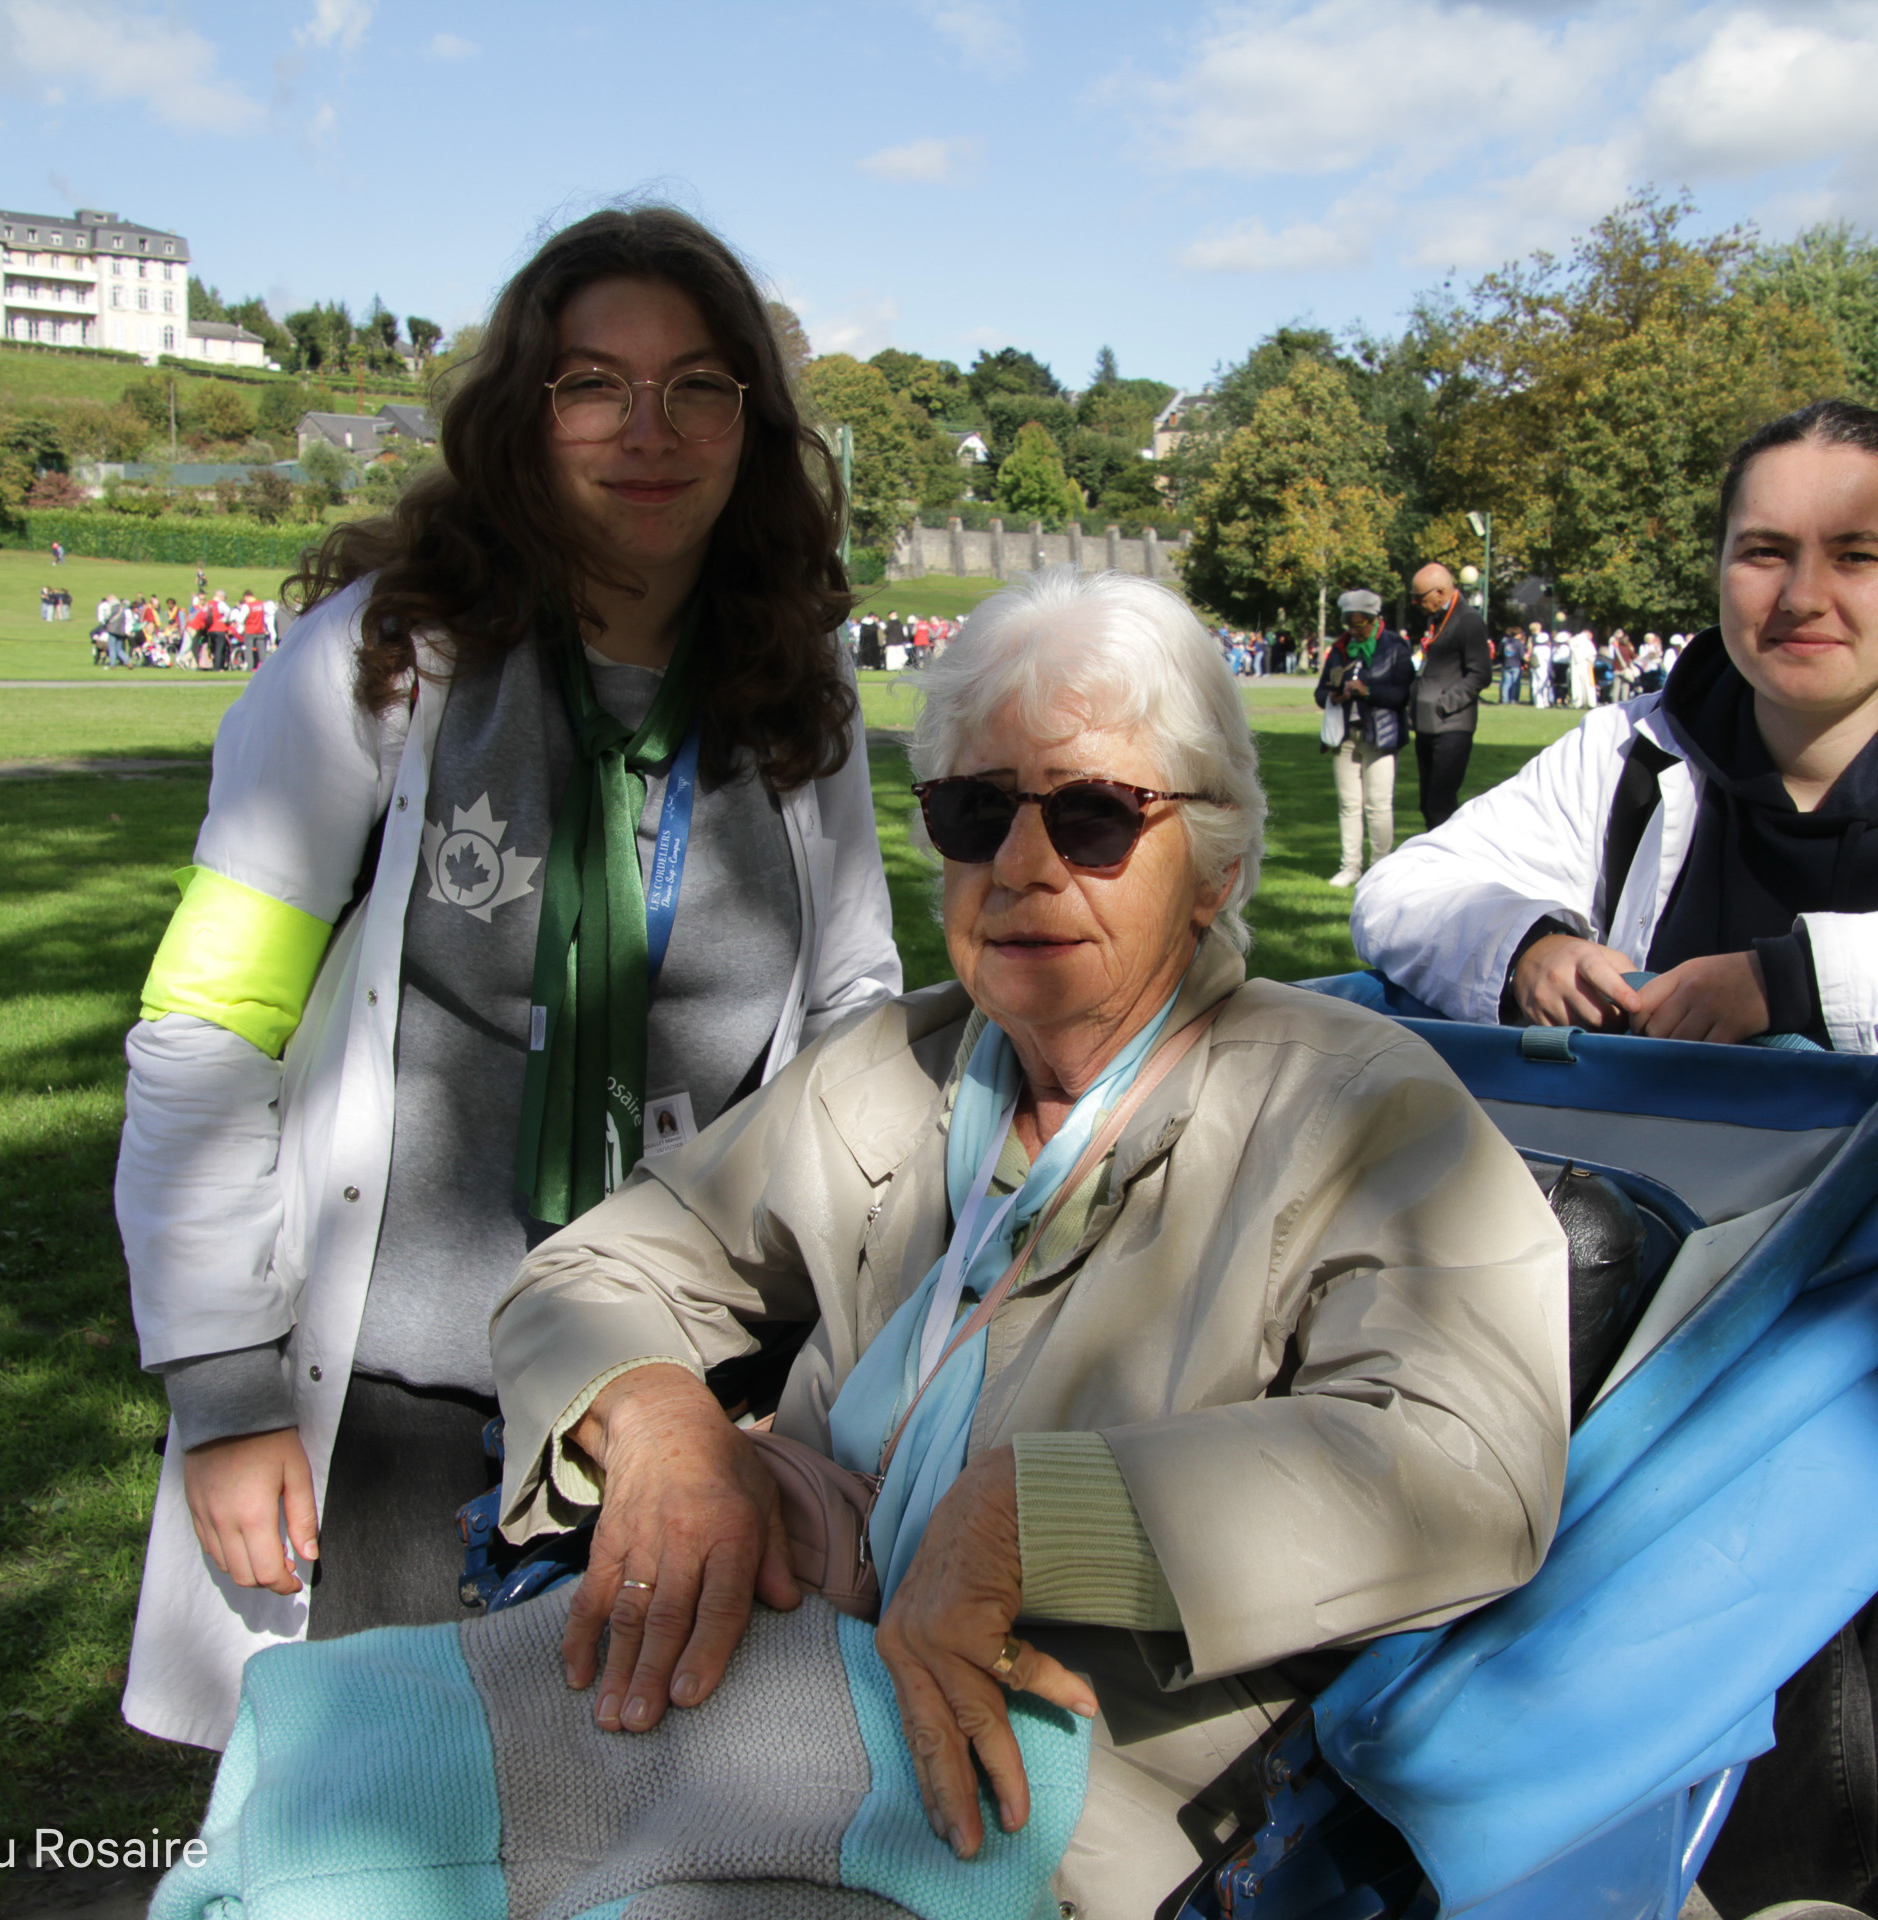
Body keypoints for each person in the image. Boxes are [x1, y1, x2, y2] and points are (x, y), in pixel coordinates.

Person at [485, 564, 1569, 1916]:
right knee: (334, 1790)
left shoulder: (1352, 1105)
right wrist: (662, 1427)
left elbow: (1467, 1464)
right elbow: (593, 1270)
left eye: (1096, 817)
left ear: (1218, 864)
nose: (1020, 864)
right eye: (976, 812)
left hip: (1058, 1815)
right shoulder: (895, 1066)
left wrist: (1023, 1519)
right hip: (758, 1712)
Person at [1352, 399, 1878, 1920]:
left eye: (1856, 554)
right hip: (1673, 1346)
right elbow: (1404, 893)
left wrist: (1799, 981)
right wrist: (1523, 943)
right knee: (1676, 1730)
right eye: (1762, 552)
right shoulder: (1635, 751)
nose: (1803, 596)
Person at [113, 204, 903, 1752]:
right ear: (523, 417)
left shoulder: (794, 691)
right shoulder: (380, 663)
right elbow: (207, 1026)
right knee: (374, 1826)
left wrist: (828, 1369)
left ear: (751, 424)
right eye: (594, 384)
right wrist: (224, 1387)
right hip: (401, 1419)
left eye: (698, 387)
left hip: (689, 1410)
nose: (648, 430)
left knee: (641, 1832)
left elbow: (854, 1029)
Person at [1314, 587, 1413, 888]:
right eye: (1349, 624)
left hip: (1381, 734)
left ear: (1374, 619)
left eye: (1360, 624)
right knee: (1348, 804)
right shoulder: (1340, 648)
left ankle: (1380, 868)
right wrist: (1333, 695)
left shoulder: (1394, 646)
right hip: (1344, 735)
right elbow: (1320, 692)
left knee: (1378, 804)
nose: (1354, 630)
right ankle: (1350, 867)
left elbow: (1403, 693)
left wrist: (1368, 691)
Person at [1408, 562, 1494, 829]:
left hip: (1452, 726)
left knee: (1440, 803)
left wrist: (1444, 704)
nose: (1415, 603)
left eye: (1419, 597)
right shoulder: (1436, 618)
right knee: (1428, 803)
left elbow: (1481, 674)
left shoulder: (1468, 620)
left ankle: (1450, 854)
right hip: (1428, 724)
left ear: (1440, 592)